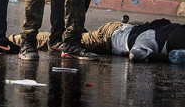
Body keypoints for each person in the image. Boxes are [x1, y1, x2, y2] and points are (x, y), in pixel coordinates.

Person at [10, 18, 185, 63]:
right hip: (108, 37)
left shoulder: (174, 30)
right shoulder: (152, 40)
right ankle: (13, 40)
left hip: (129, 28)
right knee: (63, 41)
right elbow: (135, 54)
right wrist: (168, 58)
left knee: (76, 36)